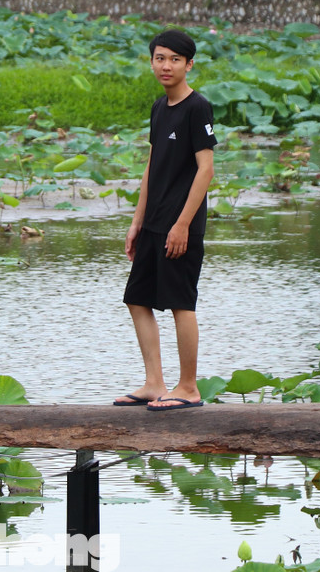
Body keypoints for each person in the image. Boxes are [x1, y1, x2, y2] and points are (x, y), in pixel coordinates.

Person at [115, 29, 217, 412]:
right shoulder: (160, 107)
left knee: (180, 304)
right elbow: (151, 166)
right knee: (137, 299)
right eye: (160, 58)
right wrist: (137, 221)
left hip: (181, 226)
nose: (166, 65)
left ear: (189, 65)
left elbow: (205, 170)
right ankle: (154, 382)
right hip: (154, 222)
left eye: (175, 59)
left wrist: (182, 225)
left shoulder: (197, 107)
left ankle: (188, 386)